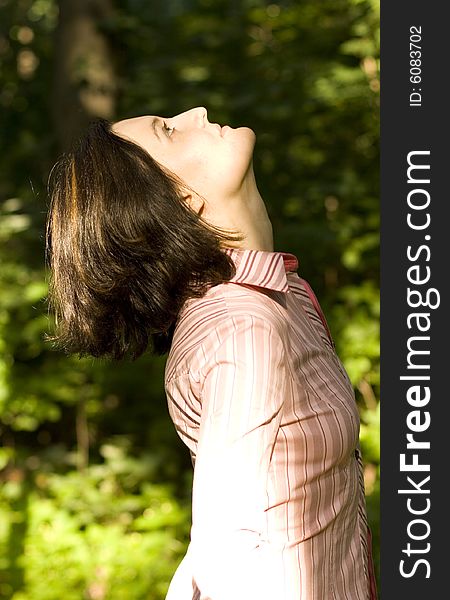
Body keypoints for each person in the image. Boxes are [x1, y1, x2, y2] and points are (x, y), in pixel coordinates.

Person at [46, 107, 378, 599]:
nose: (196, 112)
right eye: (170, 131)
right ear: (180, 201)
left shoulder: (285, 294)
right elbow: (229, 552)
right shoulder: (242, 326)